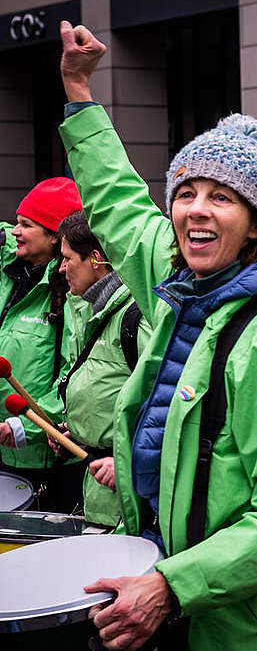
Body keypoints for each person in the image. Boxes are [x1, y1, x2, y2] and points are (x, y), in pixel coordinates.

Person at [59, 21, 257, 650]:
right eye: (185, 193)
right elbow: (118, 202)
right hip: (183, 612)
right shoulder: (180, 280)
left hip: (253, 630)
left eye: (222, 197)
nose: (197, 209)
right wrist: (79, 92)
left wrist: (170, 586)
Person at [55, 210, 151, 528]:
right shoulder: (95, 311)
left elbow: (167, 405)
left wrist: (127, 464)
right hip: (101, 495)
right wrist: (82, 434)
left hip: (129, 502)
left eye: (68, 259)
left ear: (96, 258)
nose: (61, 268)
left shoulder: (135, 317)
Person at [0, 176, 82, 512]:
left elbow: (74, 377)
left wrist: (24, 427)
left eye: (26, 225)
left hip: (47, 461)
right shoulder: (9, 272)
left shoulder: (72, 293)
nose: (15, 231)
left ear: (54, 238)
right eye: (15, 222)